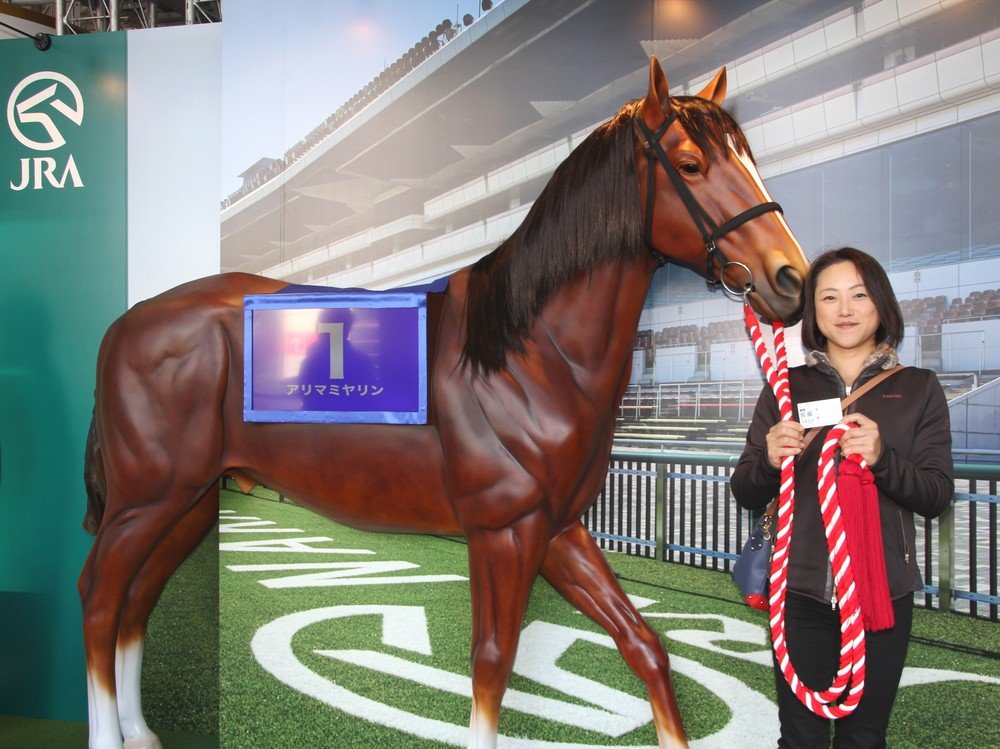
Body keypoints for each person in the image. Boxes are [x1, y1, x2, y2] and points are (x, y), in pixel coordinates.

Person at [730, 247, 953, 747]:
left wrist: (883, 458)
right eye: (829, 297)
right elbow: (744, 489)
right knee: (800, 737)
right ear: (814, 311)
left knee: (864, 737)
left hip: (882, 597)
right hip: (798, 592)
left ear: (881, 303)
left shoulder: (918, 388)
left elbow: (937, 495)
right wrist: (768, 460)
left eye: (859, 295)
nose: (845, 310)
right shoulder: (786, 387)